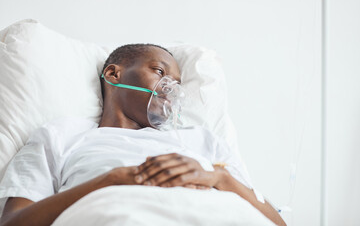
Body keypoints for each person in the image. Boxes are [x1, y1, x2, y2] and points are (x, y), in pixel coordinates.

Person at [0, 44, 286, 226]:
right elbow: (14, 222)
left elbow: (277, 223)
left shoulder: (201, 139)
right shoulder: (62, 135)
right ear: (113, 75)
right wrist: (111, 180)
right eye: (159, 72)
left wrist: (217, 177)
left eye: (176, 84)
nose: (170, 89)